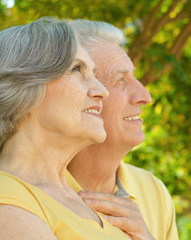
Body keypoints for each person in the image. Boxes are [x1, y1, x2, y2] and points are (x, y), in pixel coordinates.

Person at [0, 17, 130, 240]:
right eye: (76, 69)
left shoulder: (85, 199)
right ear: (21, 92)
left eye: (93, 74)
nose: (102, 90)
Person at [67, 20, 179, 240]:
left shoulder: (154, 191)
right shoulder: (27, 195)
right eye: (120, 79)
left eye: (133, 77)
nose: (145, 96)